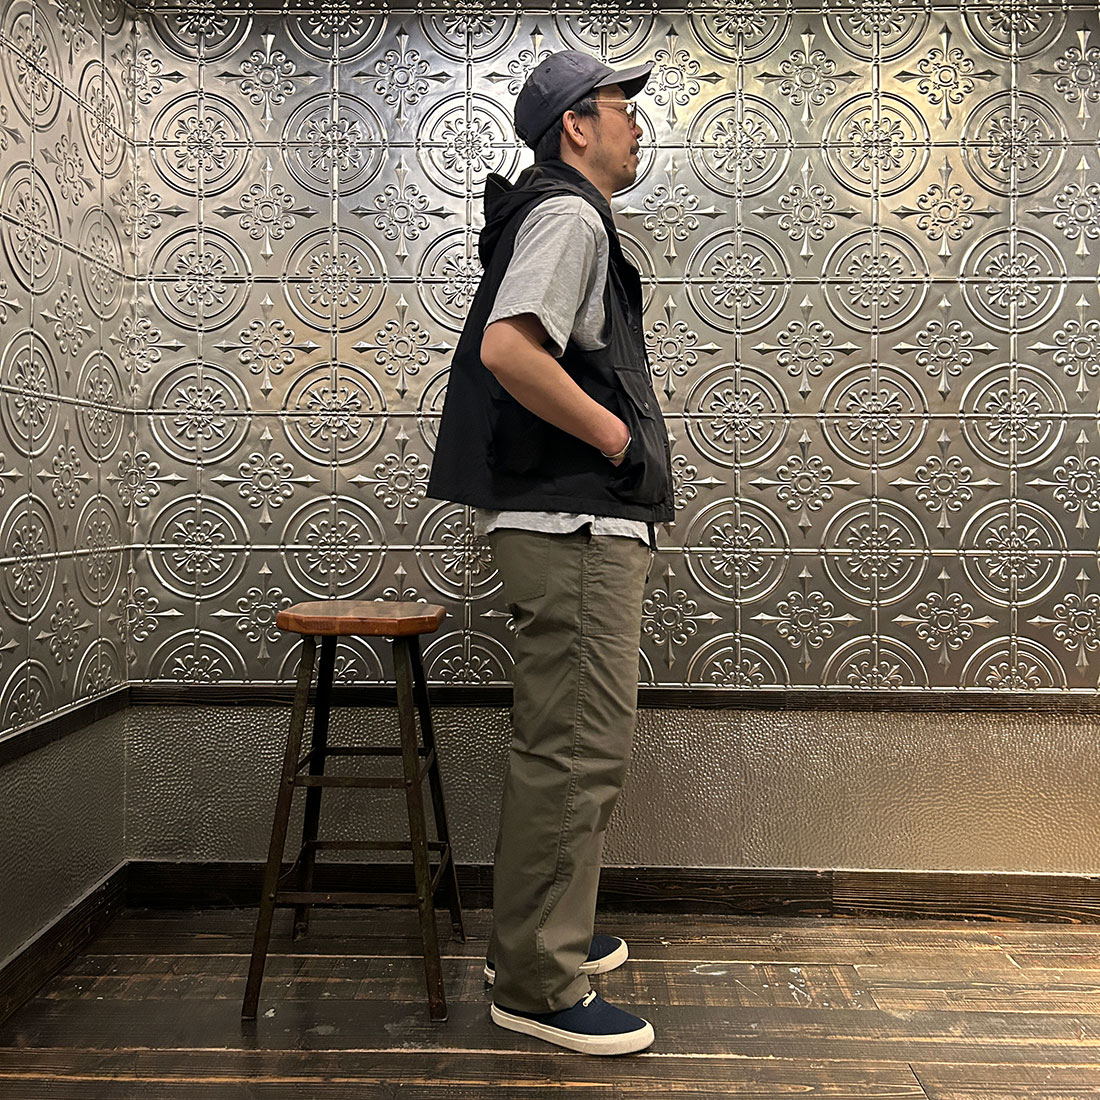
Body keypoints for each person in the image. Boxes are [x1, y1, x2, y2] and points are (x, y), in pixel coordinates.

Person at [427, 49, 674, 1056]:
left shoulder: (558, 212)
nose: (636, 124)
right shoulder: (570, 214)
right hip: (574, 524)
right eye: (622, 107)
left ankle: (537, 937)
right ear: (575, 123)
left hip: (568, 523)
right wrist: (616, 440)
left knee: (564, 746)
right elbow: (510, 349)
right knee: (576, 750)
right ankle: (537, 979)